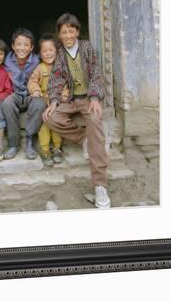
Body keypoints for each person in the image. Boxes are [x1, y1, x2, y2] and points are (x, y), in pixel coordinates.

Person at [43, 13, 111, 209]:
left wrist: (95, 98)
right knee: (50, 117)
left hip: (89, 99)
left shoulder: (87, 48)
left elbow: (96, 74)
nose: (68, 35)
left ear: (77, 31)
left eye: (71, 31)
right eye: (64, 32)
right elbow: (55, 79)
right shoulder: (60, 53)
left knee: (96, 122)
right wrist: (54, 101)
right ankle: (83, 138)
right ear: (59, 34)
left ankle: (100, 185)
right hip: (72, 100)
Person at [1, 28, 46, 160]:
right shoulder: (6, 60)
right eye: (19, 44)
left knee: (39, 103)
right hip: (14, 94)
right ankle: (13, 144)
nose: (22, 48)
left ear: (31, 47)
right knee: (7, 103)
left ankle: (30, 141)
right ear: (13, 46)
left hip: (31, 94)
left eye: (26, 45)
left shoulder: (37, 60)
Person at [27, 34, 65, 166]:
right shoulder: (39, 68)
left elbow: (67, 85)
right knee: (43, 122)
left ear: (57, 51)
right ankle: (45, 150)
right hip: (44, 101)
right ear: (40, 53)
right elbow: (32, 82)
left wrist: (63, 96)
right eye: (45, 51)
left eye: (51, 50)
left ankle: (57, 147)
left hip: (57, 102)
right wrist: (36, 90)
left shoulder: (61, 68)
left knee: (55, 120)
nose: (48, 53)